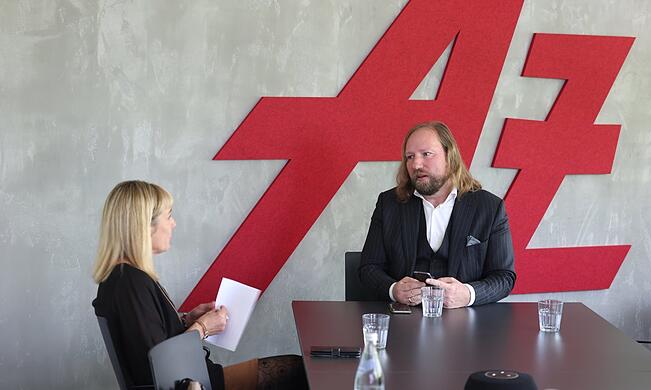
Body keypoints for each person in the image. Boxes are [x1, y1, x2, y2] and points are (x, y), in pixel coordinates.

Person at [92, 180, 308, 390]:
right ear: (145, 227)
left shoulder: (124, 278)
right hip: (194, 381)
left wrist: (186, 320)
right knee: (297, 370)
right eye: (169, 217)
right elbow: (159, 365)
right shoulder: (130, 283)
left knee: (297, 367)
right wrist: (203, 328)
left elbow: (152, 339)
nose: (173, 223)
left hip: (194, 376)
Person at [359, 121, 516, 308]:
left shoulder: (489, 207)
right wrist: (394, 289)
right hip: (403, 323)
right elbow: (368, 268)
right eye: (410, 157)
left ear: (450, 157)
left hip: (467, 327)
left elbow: (504, 277)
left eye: (426, 154)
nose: (416, 164)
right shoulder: (388, 204)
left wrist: (468, 294)